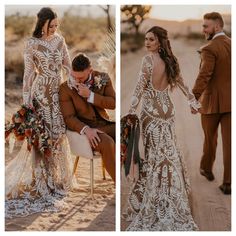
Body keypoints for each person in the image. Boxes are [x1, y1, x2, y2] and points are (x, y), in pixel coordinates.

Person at [122, 26, 200, 231]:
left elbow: (139, 88)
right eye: (146, 39)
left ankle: (155, 200)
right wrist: (192, 101)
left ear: (160, 42)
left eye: (151, 40)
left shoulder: (148, 61)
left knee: (153, 157)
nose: (147, 42)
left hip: (152, 115)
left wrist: (131, 110)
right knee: (167, 154)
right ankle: (171, 195)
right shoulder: (171, 61)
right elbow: (183, 84)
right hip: (168, 112)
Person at [5, 7, 75, 218]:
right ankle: (40, 180)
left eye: (56, 25)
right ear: (42, 23)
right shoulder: (31, 44)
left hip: (57, 94)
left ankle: (56, 178)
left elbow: (68, 66)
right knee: (39, 135)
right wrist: (27, 103)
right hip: (39, 94)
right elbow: (27, 75)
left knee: (56, 134)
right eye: (51, 25)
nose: (54, 29)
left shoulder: (60, 41)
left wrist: (73, 86)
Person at [59, 53, 116, 182]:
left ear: (90, 70)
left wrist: (91, 95)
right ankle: (118, 184)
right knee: (108, 143)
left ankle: (131, 174)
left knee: (127, 131)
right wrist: (86, 130)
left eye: (81, 77)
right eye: (74, 76)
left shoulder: (103, 78)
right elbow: (69, 118)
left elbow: (113, 103)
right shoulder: (65, 89)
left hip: (104, 124)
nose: (77, 80)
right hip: (84, 131)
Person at [192, 12, 231, 194]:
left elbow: (204, 75)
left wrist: (194, 97)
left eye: (206, 26)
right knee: (230, 143)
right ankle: (228, 183)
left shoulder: (209, 48)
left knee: (210, 138)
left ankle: (206, 168)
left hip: (212, 103)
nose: (203, 30)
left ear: (217, 26)